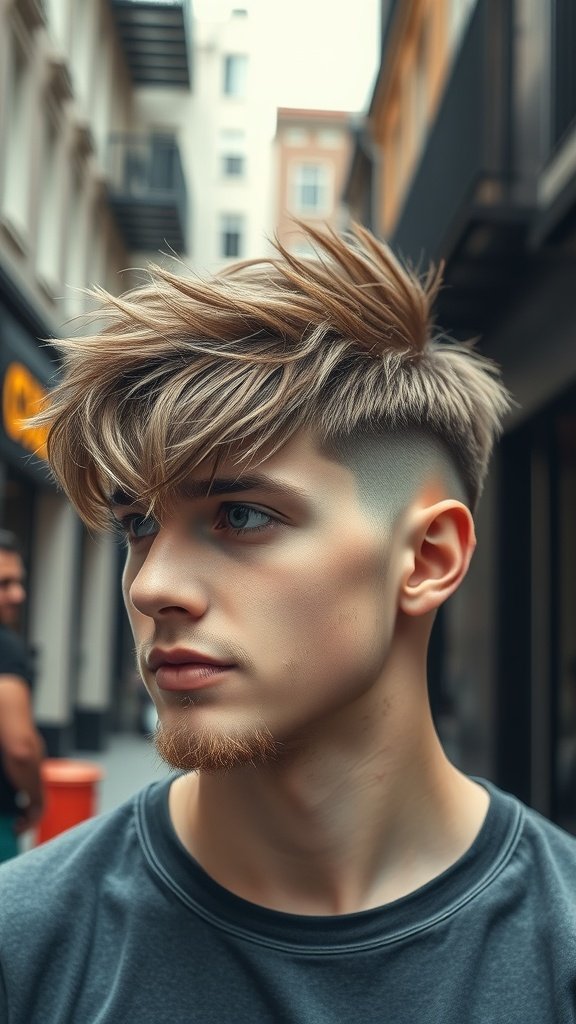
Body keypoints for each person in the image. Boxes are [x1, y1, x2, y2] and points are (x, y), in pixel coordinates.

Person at [0, 223, 574, 1022]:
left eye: (240, 515)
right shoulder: (25, 944)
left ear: (428, 558)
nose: (152, 585)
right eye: (138, 526)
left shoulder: (560, 950)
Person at [0, 530, 44, 861]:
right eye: (4, 584)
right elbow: (20, 747)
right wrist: (37, 798)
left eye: (19, 581)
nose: (18, 594)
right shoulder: (6, 649)